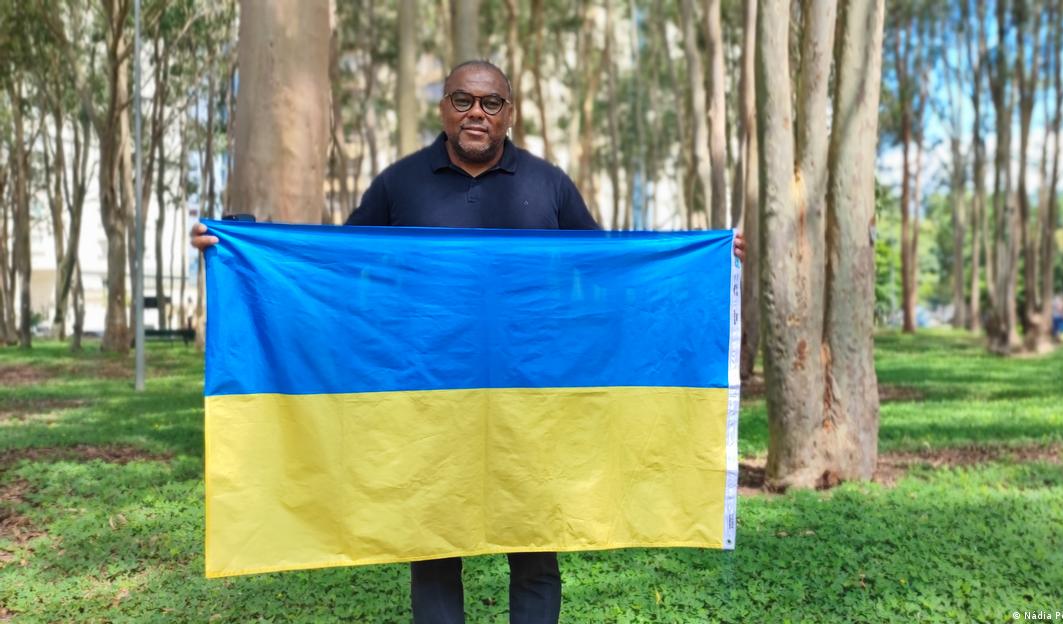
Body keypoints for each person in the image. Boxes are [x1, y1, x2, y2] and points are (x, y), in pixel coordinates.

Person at [194, 60, 746, 623]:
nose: (476, 113)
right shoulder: (399, 184)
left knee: (535, 546)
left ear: (509, 113)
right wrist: (242, 247)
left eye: (490, 103)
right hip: (427, 394)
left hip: (534, 398)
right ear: (444, 109)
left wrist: (706, 262)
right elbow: (337, 268)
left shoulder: (548, 184)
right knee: (433, 545)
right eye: (462, 101)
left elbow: (607, 273)